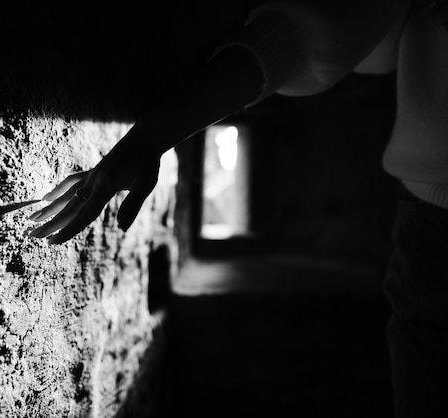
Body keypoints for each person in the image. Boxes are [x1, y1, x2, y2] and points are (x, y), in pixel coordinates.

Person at [29, 0, 448, 415]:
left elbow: (315, 31)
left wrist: (150, 139)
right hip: (432, 230)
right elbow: (321, 30)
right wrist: (148, 139)